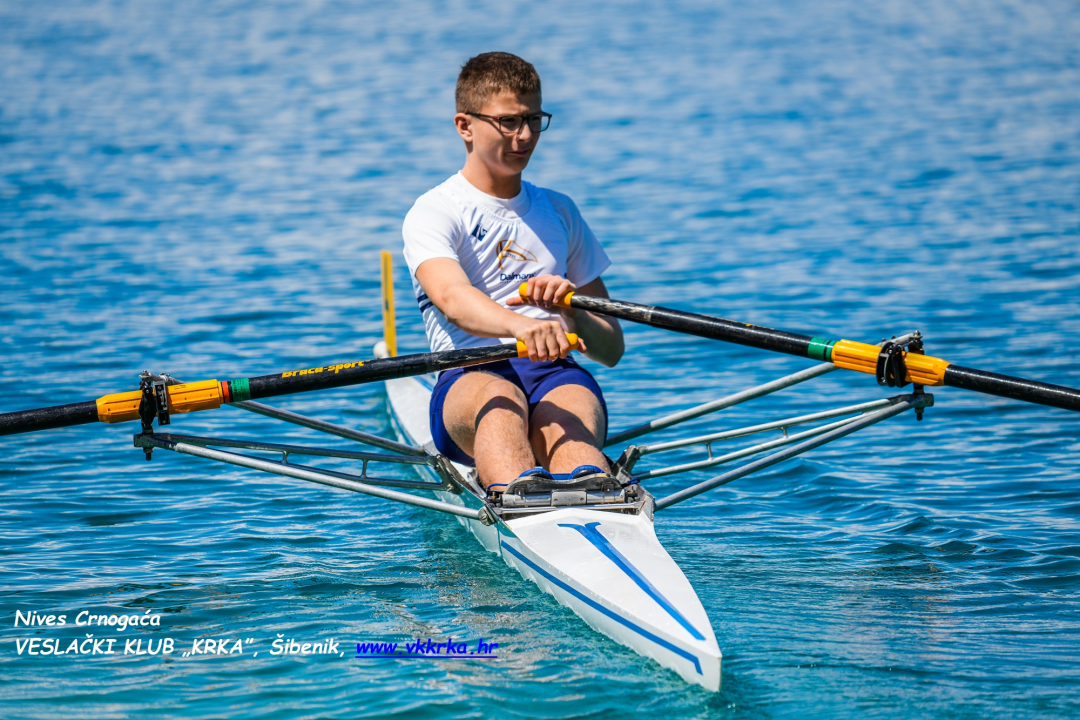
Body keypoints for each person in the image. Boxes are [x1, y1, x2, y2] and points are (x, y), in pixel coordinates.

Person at [402, 52, 624, 493]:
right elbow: (453, 300)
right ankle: (520, 498)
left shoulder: (560, 210)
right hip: (469, 373)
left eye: (533, 119)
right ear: (464, 125)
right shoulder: (435, 211)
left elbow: (611, 348)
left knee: (572, 420)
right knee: (500, 402)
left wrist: (573, 313)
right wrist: (523, 326)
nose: (524, 136)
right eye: (508, 122)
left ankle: (595, 493)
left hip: (553, 371)